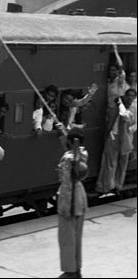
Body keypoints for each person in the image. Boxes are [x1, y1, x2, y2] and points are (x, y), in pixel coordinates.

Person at [55, 127, 89, 279]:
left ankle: (70, 271)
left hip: (70, 199)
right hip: (79, 198)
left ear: (71, 141)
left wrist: (65, 205)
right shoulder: (83, 153)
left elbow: (68, 181)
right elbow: (75, 155)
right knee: (77, 237)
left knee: (67, 237)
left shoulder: (69, 158)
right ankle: (77, 268)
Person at [95, 88, 137, 195]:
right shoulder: (118, 108)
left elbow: (131, 121)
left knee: (122, 164)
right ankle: (105, 186)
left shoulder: (134, 109)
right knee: (109, 162)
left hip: (127, 138)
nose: (130, 98)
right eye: (128, 95)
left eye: (132, 96)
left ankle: (118, 185)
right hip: (114, 136)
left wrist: (130, 130)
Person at [105, 44, 129, 134]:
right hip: (107, 108)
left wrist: (115, 51)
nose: (112, 72)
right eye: (110, 70)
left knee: (112, 131)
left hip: (116, 110)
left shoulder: (119, 81)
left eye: (113, 70)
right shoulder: (107, 82)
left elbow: (121, 66)